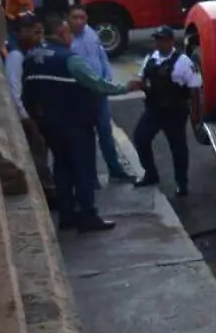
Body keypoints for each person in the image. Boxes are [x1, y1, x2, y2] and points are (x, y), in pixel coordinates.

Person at [23, 12, 139, 232]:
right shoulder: (69, 60)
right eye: (68, 31)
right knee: (83, 169)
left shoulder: (31, 58)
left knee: (62, 167)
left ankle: (67, 215)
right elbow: (97, 84)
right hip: (75, 123)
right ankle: (88, 215)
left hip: (49, 125)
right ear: (61, 33)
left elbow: (27, 93)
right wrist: (126, 87)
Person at [132, 26, 202, 197]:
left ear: (171, 41)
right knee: (140, 138)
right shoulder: (150, 58)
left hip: (175, 111)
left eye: (163, 40)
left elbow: (194, 89)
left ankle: (181, 183)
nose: (159, 43)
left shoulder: (183, 61)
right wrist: (136, 84)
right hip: (154, 109)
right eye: (157, 40)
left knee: (177, 148)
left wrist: (196, 113)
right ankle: (150, 174)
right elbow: (142, 79)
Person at [68, 5, 130, 186]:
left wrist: (107, 79)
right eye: (75, 18)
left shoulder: (90, 33)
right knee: (85, 139)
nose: (79, 22)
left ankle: (115, 170)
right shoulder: (67, 39)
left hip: (99, 92)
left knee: (106, 134)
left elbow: (101, 56)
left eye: (82, 18)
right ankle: (90, 177)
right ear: (68, 18)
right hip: (81, 95)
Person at [3, 14, 54, 194]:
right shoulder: (16, 56)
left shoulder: (31, 51)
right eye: (31, 31)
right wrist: (26, 118)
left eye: (38, 31)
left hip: (37, 113)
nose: (35, 35)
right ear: (18, 33)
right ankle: (46, 189)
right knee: (37, 154)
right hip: (29, 116)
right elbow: (14, 90)